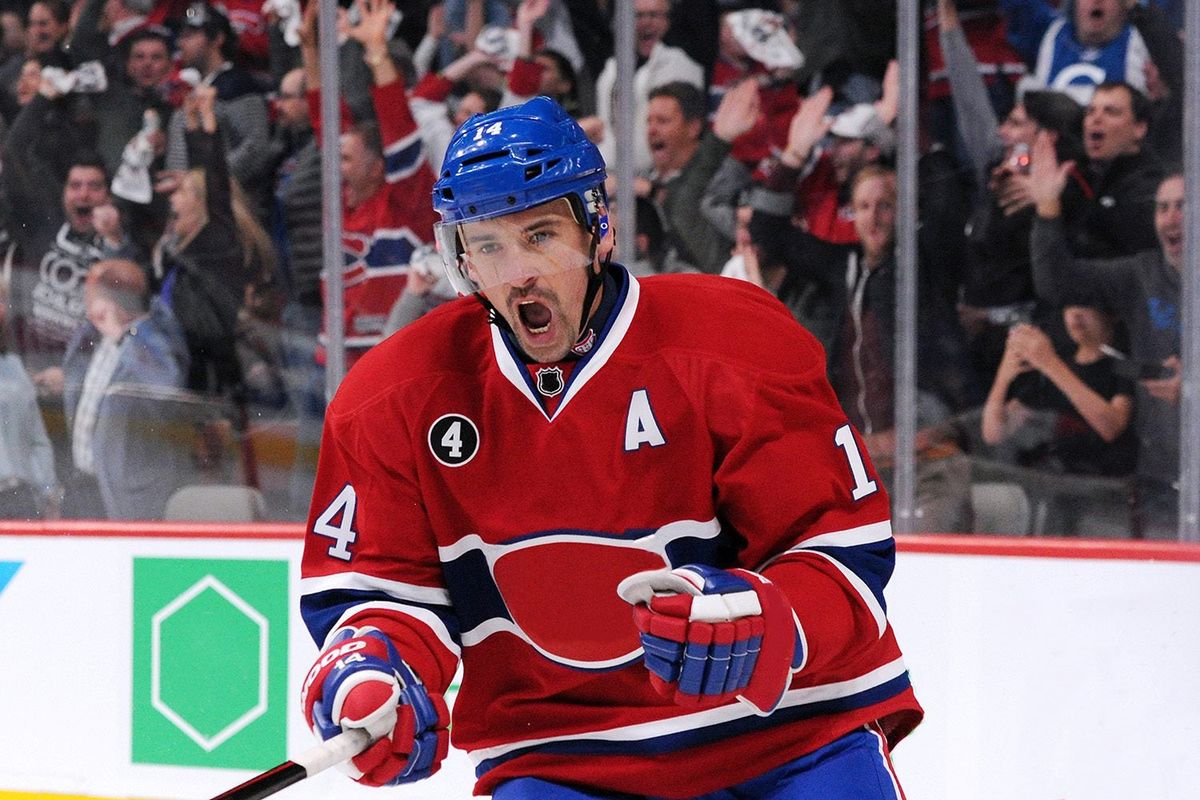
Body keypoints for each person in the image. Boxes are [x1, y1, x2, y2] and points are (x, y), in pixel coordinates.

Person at [299, 96, 921, 798]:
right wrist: (372, 671)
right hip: (564, 754)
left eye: (539, 235)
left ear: (600, 228)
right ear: (460, 256)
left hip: (788, 733)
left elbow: (843, 556)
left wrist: (765, 615)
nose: (518, 273)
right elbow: (381, 594)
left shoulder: (732, 343)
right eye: (490, 245)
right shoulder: (393, 397)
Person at [1027, 132, 1183, 539]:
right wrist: (1047, 208)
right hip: (1161, 480)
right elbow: (1057, 281)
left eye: (1182, 207)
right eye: (1162, 208)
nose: (1170, 218)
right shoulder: (1142, 275)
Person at [61, 257, 190, 519]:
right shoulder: (96, 335)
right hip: (84, 481)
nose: (87, 305)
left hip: (126, 489)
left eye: (93, 297)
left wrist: (124, 333)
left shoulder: (152, 339)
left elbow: (165, 389)